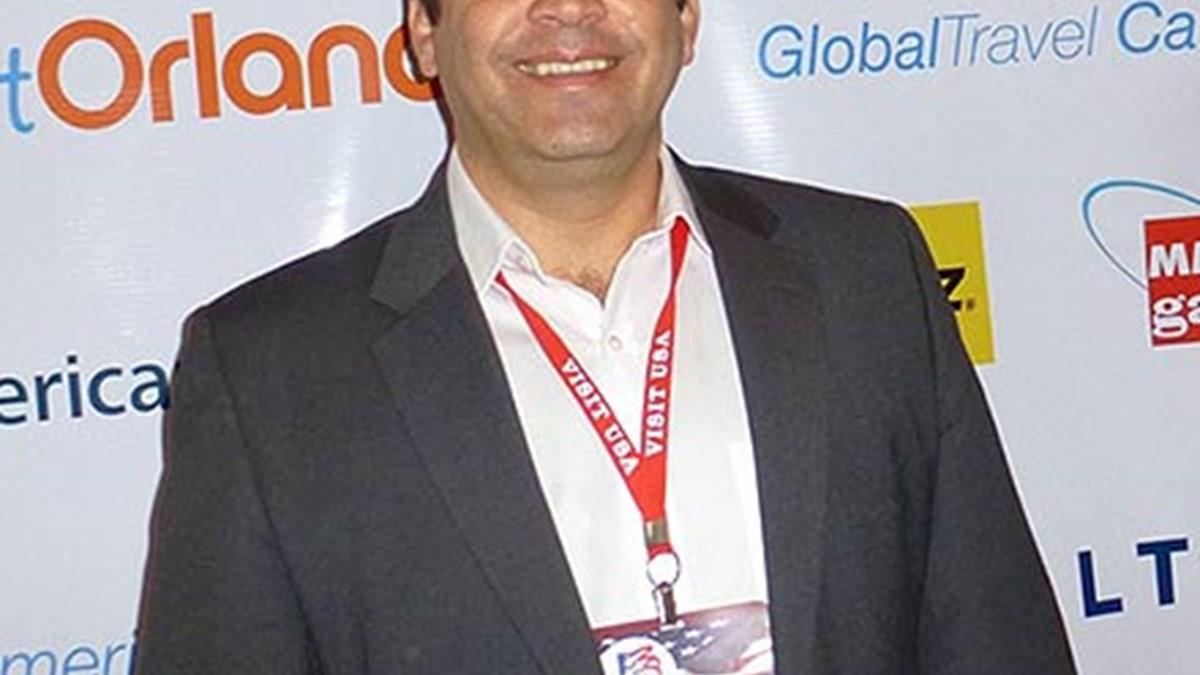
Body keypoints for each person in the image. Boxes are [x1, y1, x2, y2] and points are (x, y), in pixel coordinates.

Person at [133, 0, 1078, 673]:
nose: (569, 10)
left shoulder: (866, 275)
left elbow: (996, 639)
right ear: (424, 28)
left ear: (687, 19)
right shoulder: (269, 372)